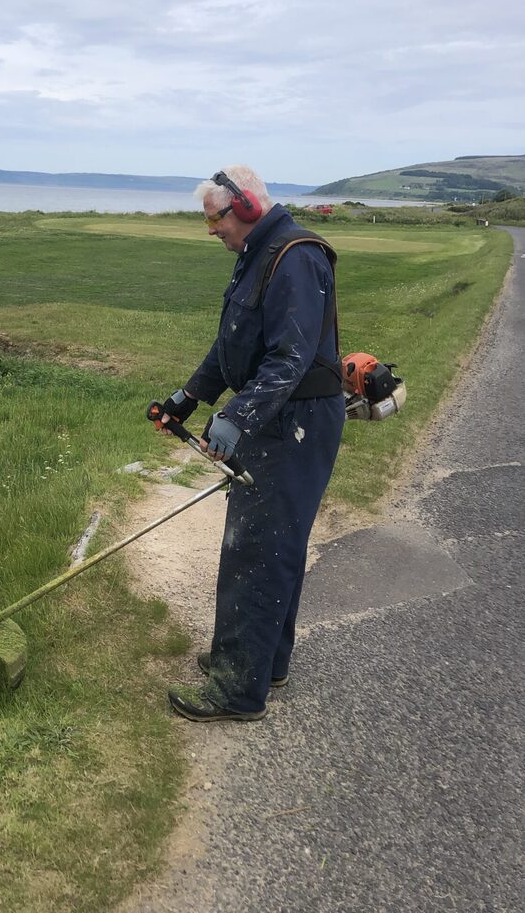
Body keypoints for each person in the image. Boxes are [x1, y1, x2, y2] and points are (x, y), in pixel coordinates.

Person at [159, 165, 345, 722]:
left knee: (258, 550)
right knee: (272, 544)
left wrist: (235, 417)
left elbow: (289, 358)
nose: (211, 229)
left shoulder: (295, 257)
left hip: (296, 422)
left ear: (244, 208)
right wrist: (186, 399)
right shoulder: (258, 254)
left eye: (214, 218)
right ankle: (262, 662)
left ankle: (238, 689)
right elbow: (231, 346)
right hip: (278, 415)